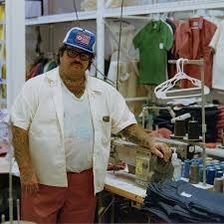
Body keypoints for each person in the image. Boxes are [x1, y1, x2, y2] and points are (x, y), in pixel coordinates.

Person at [11, 27, 172, 224]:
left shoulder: (104, 92)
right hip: (42, 180)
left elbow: (126, 125)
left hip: (84, 183)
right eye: (72, 52)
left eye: (84, 55)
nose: (77, 59)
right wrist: (26, 171)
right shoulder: (35, 87)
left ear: (89, 61)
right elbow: (19, 129)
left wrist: (150, 142)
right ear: (60, 55)